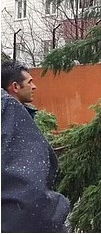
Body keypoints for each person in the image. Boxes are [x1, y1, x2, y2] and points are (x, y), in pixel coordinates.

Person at [1, 60, 70, 232]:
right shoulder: (9, 111)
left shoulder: (18, 114)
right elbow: (25, 183)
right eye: (30, 82)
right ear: (15, 87)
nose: (35, 87)